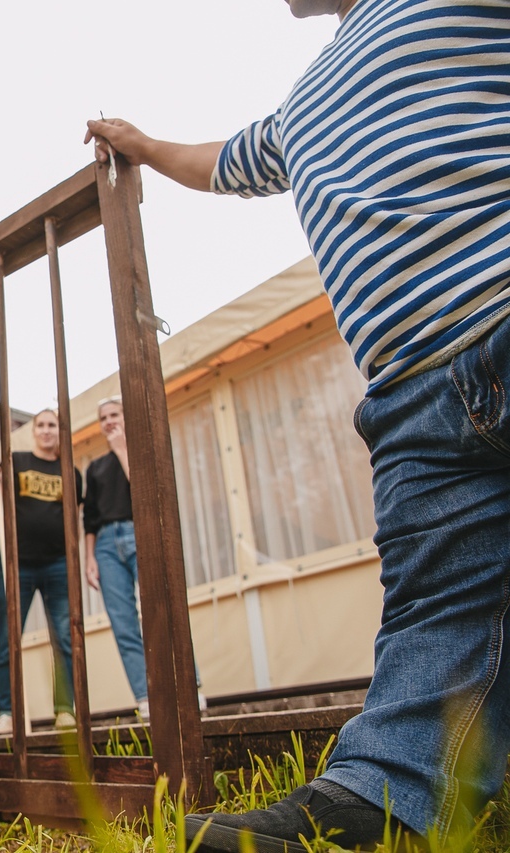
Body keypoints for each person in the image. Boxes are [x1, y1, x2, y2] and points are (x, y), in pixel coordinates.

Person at [87, 0, 510, 848]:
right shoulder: (301, 105)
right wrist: (144, 145)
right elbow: (220, 161)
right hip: (413, 402)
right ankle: (384, 793)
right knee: (439, 608)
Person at [0, 408, 83, 735]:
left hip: (59, 565)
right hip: (18, 565)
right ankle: (7, 713)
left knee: (65, 639)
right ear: (33, 431)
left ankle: (66, 710)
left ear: (60, 431)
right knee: (8, 640)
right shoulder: (16, 461)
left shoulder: (71, 472)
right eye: (41, 424)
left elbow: (74, 519)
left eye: (52, 425)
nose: (46, 430)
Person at [82, 397, 150, 715]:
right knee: (123, 623)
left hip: (139, 532)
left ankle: (191, 686)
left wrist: (123, 449)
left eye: (114, 415)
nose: (109, 421)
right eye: (103, 417)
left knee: (161, 614)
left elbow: (145, 492)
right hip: (106, 545)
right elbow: (90, 518)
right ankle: (144, 696)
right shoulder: (95, 467)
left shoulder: (140, 452)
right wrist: (90, 557)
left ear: (126, 417)